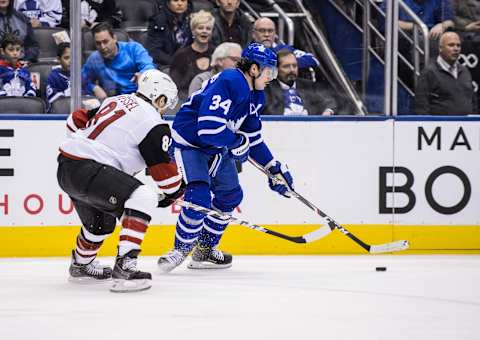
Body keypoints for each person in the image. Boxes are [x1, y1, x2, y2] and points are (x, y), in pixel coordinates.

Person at [157, 42, 295, 272]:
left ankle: (205, 250)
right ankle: (179, 250)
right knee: (198, 196)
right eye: (269, 71)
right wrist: (236, 142)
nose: (271, 77)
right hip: (189, 143)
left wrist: (273, 169)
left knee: (231, 195)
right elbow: (208, 128)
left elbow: (253, 138)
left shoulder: (256, 95)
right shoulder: (230, 80)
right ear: (253, 69)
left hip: (216, 148)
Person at [57, 69, 184, 292]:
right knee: (143, 196)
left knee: (100, 224)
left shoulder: (114, 100)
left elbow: (73, 122)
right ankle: (126, 268)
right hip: (91, 170)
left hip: (67, 166)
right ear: (160, 98)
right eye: (166, 104)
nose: (165, 110)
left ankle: (81, 264)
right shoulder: (154, 121)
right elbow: (166, 177)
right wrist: (174, 193)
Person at [82, 22, 156, 101]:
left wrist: (143, 74)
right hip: (111, 102)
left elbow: (149, 67)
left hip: (138, 99)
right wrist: (94, 88)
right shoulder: (94, 59)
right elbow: (81, 81)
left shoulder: (133, 49)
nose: (103, 47)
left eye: (105, 42)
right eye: (98, 43)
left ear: (114, 38)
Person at [414, 32, 477, 115]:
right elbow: (421, 106)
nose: (456, 49)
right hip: (440, 126)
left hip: (466, 126)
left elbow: (473, 100)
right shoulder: (429, 72)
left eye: (458, 45)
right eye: (451, 45)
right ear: (440, 48)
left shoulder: (464, 71)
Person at [263, 49, 337, 115]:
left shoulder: (309, 86)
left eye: (294, 66)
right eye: (286, 66)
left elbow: (329, 101)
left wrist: (328, 111)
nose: (292, 70)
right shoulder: (266, 88)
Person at [169, 9, 215, 99]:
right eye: (200, 28)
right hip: (186, 101)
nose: (204, 31)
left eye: (208, 28)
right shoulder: (181, 56)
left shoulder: (217, 54)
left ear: (212, 32)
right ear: (193, 31)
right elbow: (175, 88)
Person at [251, 17, 319, 70]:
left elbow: (313, 59)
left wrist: (285, 62)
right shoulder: (245, 51)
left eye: (270, 31)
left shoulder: (285, 48)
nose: (266, 34)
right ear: (253, 34)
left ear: (275, 34)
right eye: (262, 31)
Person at [145, 0, 193, 67]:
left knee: (207, 74)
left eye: (183, 0)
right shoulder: (158, 21)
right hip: (166, 65)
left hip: (190, 64)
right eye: (175, 0)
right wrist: (176, 63)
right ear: (168, 2)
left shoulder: (193, 20)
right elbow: (154, 51)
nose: (179, 4)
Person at [46, 42, 70, 109]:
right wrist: (67, 94)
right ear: (59, 59)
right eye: (66, 58)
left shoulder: (81, 75)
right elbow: (55, 102)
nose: (71, 61)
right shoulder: (53, 77)